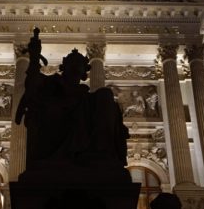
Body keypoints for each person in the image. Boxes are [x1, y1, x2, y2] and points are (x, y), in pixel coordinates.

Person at [14, 28, 129, 171]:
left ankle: (102, 152)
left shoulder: (86, 97)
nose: (74, 69)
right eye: (71, 65)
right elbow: (32, 85)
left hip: (80, 120)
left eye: (78, 66)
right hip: (55, 121)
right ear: (64, 68)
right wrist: (34, 58)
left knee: (105, 94)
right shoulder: (51, 82)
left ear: (83, 74)